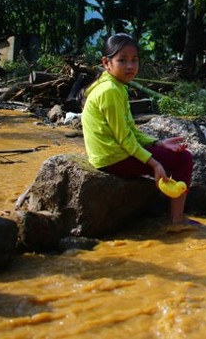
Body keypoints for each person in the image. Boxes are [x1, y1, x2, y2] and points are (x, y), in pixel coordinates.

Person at [82, 33, 194, 225]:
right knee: (184, 159)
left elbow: (129, 130)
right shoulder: (110, 91)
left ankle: (172, 214)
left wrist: (159, 143)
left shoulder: (114, 85)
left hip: (109, 153)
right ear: (106, 63)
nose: (130, 66)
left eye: (134, 60)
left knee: (175, 154)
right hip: (113, 156)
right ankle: (177, 220)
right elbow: (125, 139)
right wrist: (155, 164)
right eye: (122, 60)